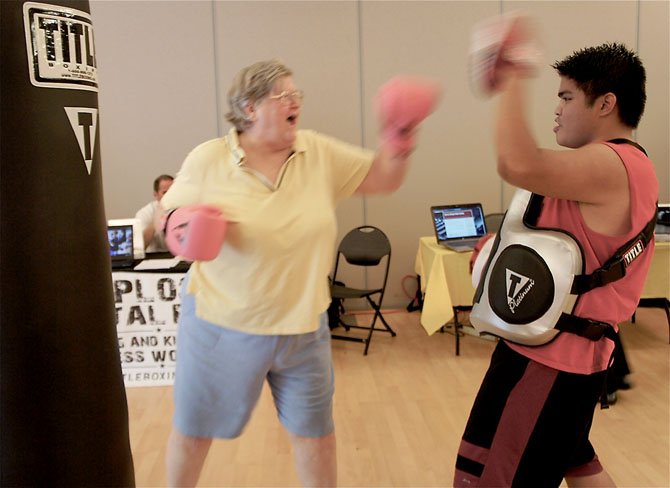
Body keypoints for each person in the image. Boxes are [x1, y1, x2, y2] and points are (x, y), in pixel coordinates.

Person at [160, 59, 439, 487]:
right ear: (250, 108)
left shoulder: (317, 152)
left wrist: (399, 137)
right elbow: (169, 211)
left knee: (316, 438)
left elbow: (385, 178)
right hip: (224, 326)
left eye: (297, 96)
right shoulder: (210, 158)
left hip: (304, 328)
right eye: (283, 96)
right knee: (195, 433)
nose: (296, 103)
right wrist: (181, 228)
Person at [455, 21, 658, 488]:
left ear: (606, 103)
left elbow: (518, 163)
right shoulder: (600, 167)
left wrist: (509, 72)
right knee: (580, 466)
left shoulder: (616, 162)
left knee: (487, 478)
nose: (557, 109)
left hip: (548, 366)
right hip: (558, 360)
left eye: (567, 97)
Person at [135, 174, 174, 252]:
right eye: (165, 192)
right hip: (155, 258)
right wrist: (155, 223)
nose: (170, 196)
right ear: (155, 194)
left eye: (173, 191)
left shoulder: (184, 209)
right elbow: (139, 248)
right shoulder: (144, 213)